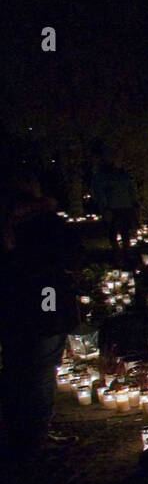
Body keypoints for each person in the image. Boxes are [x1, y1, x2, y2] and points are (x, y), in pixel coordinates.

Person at [0, 167, 83, 463]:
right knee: (39, 368)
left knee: (17, 368)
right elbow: (69, 251)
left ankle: (22, 433)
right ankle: (35, 435)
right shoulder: (40, 219)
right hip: (43, 298)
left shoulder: (9, 220)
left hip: (13, 304)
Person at [90, 154, 139, 260]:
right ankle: (117, 252)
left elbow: (132, 189)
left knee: (124, 231)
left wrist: (134, 201)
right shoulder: (106, 176)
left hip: (125, 206)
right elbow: (101, 191)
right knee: (114, 230)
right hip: (113, 207)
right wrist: (104, 205)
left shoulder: (124, 175)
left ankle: (125, 252)